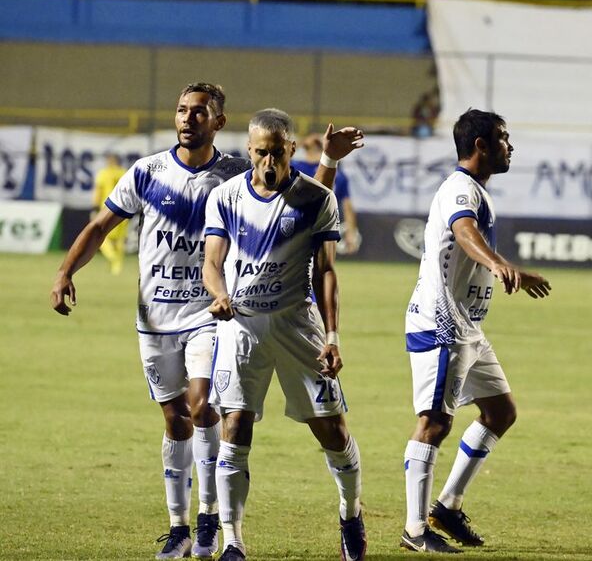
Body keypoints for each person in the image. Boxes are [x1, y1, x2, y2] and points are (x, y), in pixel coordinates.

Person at [50, 83, 362, 560]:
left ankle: (211, 522)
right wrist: (65, 270)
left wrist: (330, 163)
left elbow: (300, 202)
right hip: (155, 314)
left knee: (204, 408)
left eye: (200, 112)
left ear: (219, 122)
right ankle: (181, 525)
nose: (188, 118)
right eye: (181, 110)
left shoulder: (238, 172)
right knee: (176, 419)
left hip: (215, 316)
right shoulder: (149, 173)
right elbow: (100, 226)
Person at [202, 108, 367, 561]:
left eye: (277, 153)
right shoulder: (227, 196)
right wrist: (217, 294)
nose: (268, 163)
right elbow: (212, 263)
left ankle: (350, 512)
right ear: (248, 151)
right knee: (234, 425)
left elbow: (327, 271)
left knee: (331, 430)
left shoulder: (316, 197)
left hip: (298, 323)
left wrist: (332, 337)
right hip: (242, 326)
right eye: (260, 153)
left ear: (292, 149)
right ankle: (232, 541)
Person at [401, 109, 551, 554]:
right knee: (433, 423)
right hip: (443, 324)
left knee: (501, 412)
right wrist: (499, 263)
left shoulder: (475, 190)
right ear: (481, 145)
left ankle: (446, 506)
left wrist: (502, 267)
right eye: (503, 138)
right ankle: (414, 529)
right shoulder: (460, 189)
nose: (510, 146)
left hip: (467, 327)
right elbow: (463, 232)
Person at [294, 132, 360, 254]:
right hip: (321, 227)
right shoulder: (338, 175)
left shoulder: (295, 168)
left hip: (300, 226)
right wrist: (351, 232)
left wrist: (301, 142)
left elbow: (279, 157)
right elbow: (347, 207)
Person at [92, 153, 128, 275]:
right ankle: (117, 266)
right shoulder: (124, 172)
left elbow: (98, 191)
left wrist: (94, 208)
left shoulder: (103, 173)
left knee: (102, 237)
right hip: (124, 208)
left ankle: (113, 258)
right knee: (119, 239)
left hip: (107, 209)